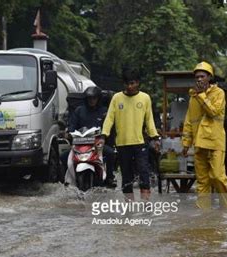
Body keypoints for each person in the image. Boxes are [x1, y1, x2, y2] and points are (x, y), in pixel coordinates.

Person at [102, 68, 160, 200]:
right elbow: (109, 118)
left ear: (138, 83)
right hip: (122, 144)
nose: (129, 86)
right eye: (127, 83)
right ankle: (129, 210)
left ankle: (146, 207)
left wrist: (155, 138)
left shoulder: (145, 98)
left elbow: (149, 120)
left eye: (132, 83)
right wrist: (103, 135)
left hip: (140, 143)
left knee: (144, 174)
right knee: (126, 178)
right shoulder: (116, 98)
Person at [181, 61, 227, 209]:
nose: (199, 79)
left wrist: (202, 95)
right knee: (202, 181)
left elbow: (213, 111)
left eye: (202, 76)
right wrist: (185, 143)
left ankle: (226, 208)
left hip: (215, 143)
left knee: (217, 176)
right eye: (197, 77)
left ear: (209, 77)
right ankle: (204, 214)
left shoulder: (219, 93)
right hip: (199, 144)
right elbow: (189, 121)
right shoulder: (193, 98)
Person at [62, 85, 116, 187]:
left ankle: (110, 178)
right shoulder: (79, 111)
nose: (92, 100)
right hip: (80, 144)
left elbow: (109, 127)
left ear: (98, 99)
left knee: (110, 153)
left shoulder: (104, 112)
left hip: (97, 145)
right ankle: (67, 180)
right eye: (89, 98)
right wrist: (68, 133)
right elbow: (72, 126)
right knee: (63, 157)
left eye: (94, 98)